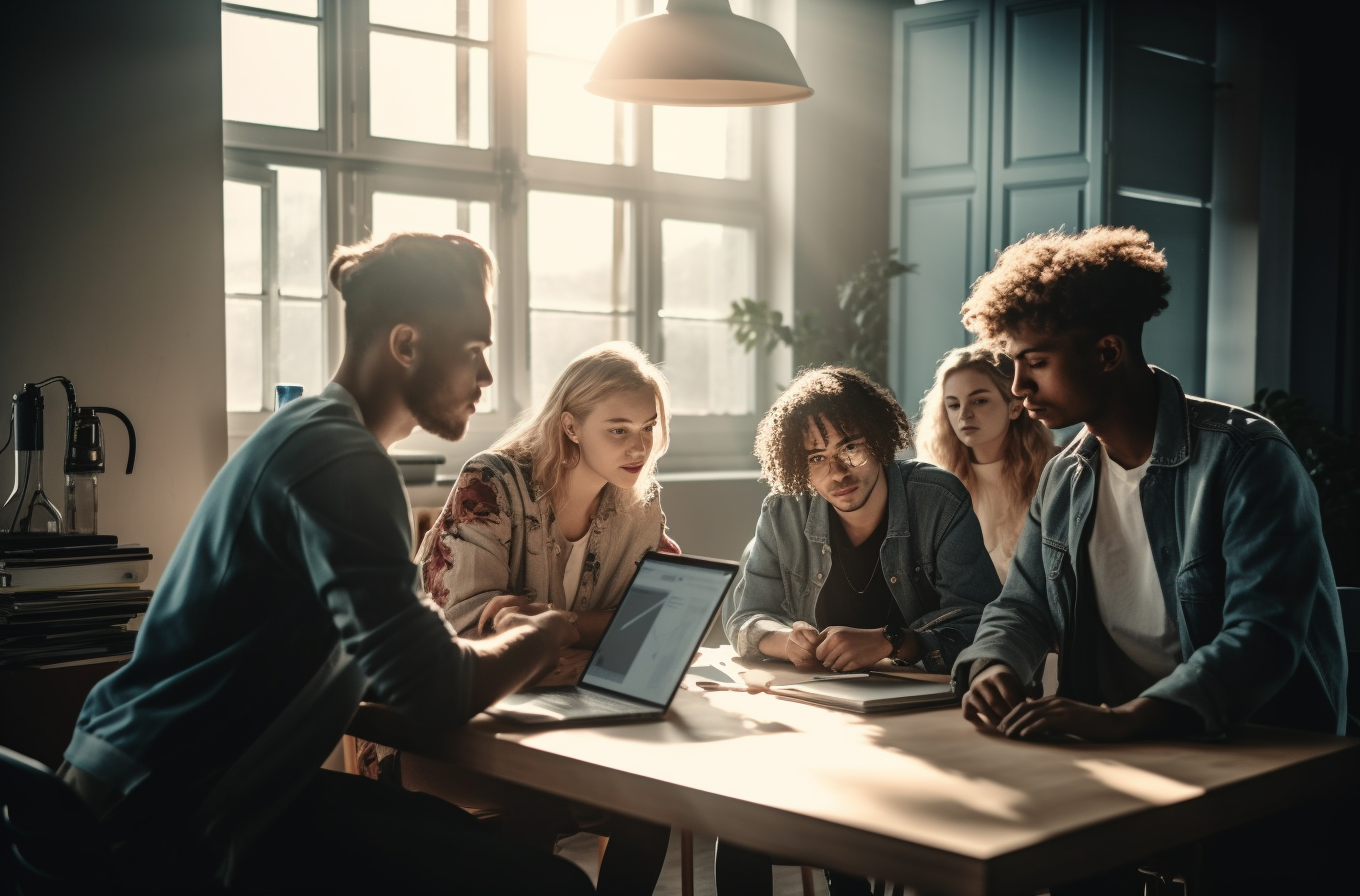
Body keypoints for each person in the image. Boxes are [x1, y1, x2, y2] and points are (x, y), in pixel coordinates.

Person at [58, 232, 593, 895]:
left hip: (144, 780)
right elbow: (436, 691)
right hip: (161, 817)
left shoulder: (310, 435)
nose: (486, 378)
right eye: (474, 352)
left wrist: (471, 639)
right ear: (405, 345)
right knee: (550, 884)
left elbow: (385, 651)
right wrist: (544, 634)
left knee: (455, 833)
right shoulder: (343, 462)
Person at [951, 226, 1348, 893]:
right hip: (1111, 755)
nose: (1017, 384)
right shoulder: (1065, 475)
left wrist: (1126, 720)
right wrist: (994, 663)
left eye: (1036, 361)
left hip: (1250, 755)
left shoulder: (1247, 458)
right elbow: (1022, 603)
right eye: (1012, 362)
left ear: (1107, 352)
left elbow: (1263, 637)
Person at [361, 341, 677, 895]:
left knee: (651, 801)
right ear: (571, 427)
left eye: (648, 427)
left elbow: (648, 622)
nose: (639, 446)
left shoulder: (639, 503)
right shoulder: (492, 483)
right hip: (433, 726)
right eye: (619, 429)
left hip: (568, 718)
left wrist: (559, 626)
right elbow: (465, 628)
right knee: (539, 787)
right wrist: (589, 629)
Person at [717, 365, 1002, 896]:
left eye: (851, 447)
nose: (837, 472)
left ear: (879, 437)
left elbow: (983, 619)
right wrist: (786, 640)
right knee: (738, 806)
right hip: (824, 715)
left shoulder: (937, 499)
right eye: (816, 459)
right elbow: (744, 616)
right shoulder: (783, 511)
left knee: (851, 812)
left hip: (925, 725)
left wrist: (896, 642)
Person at [915, 346, 1055, 583]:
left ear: (1014, 407)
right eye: (954, 405)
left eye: (979, 401)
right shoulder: (937, 486)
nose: (964, 415)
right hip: (964, 617)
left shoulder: (1053, 473)